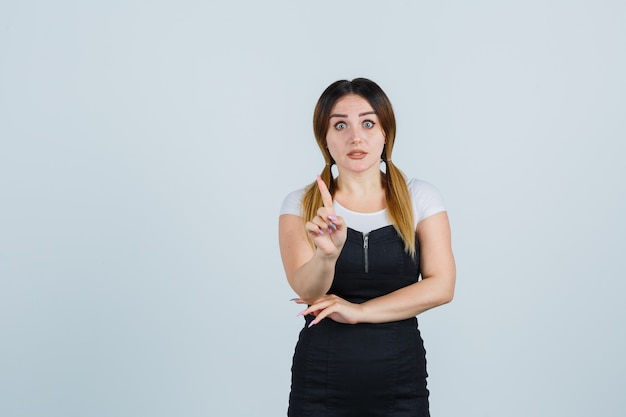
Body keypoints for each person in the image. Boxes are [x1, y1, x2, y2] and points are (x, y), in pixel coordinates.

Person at [278, 78, 456, 417]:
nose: (355, 137)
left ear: (385, 132)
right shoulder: (301, 204)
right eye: (340, 125)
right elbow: (308, 291)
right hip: (321, 379)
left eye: (368, 123)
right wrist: (326, 256)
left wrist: (359, 312)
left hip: (401, 378)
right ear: (325, 138)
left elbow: (442, 286)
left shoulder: (421, 197)